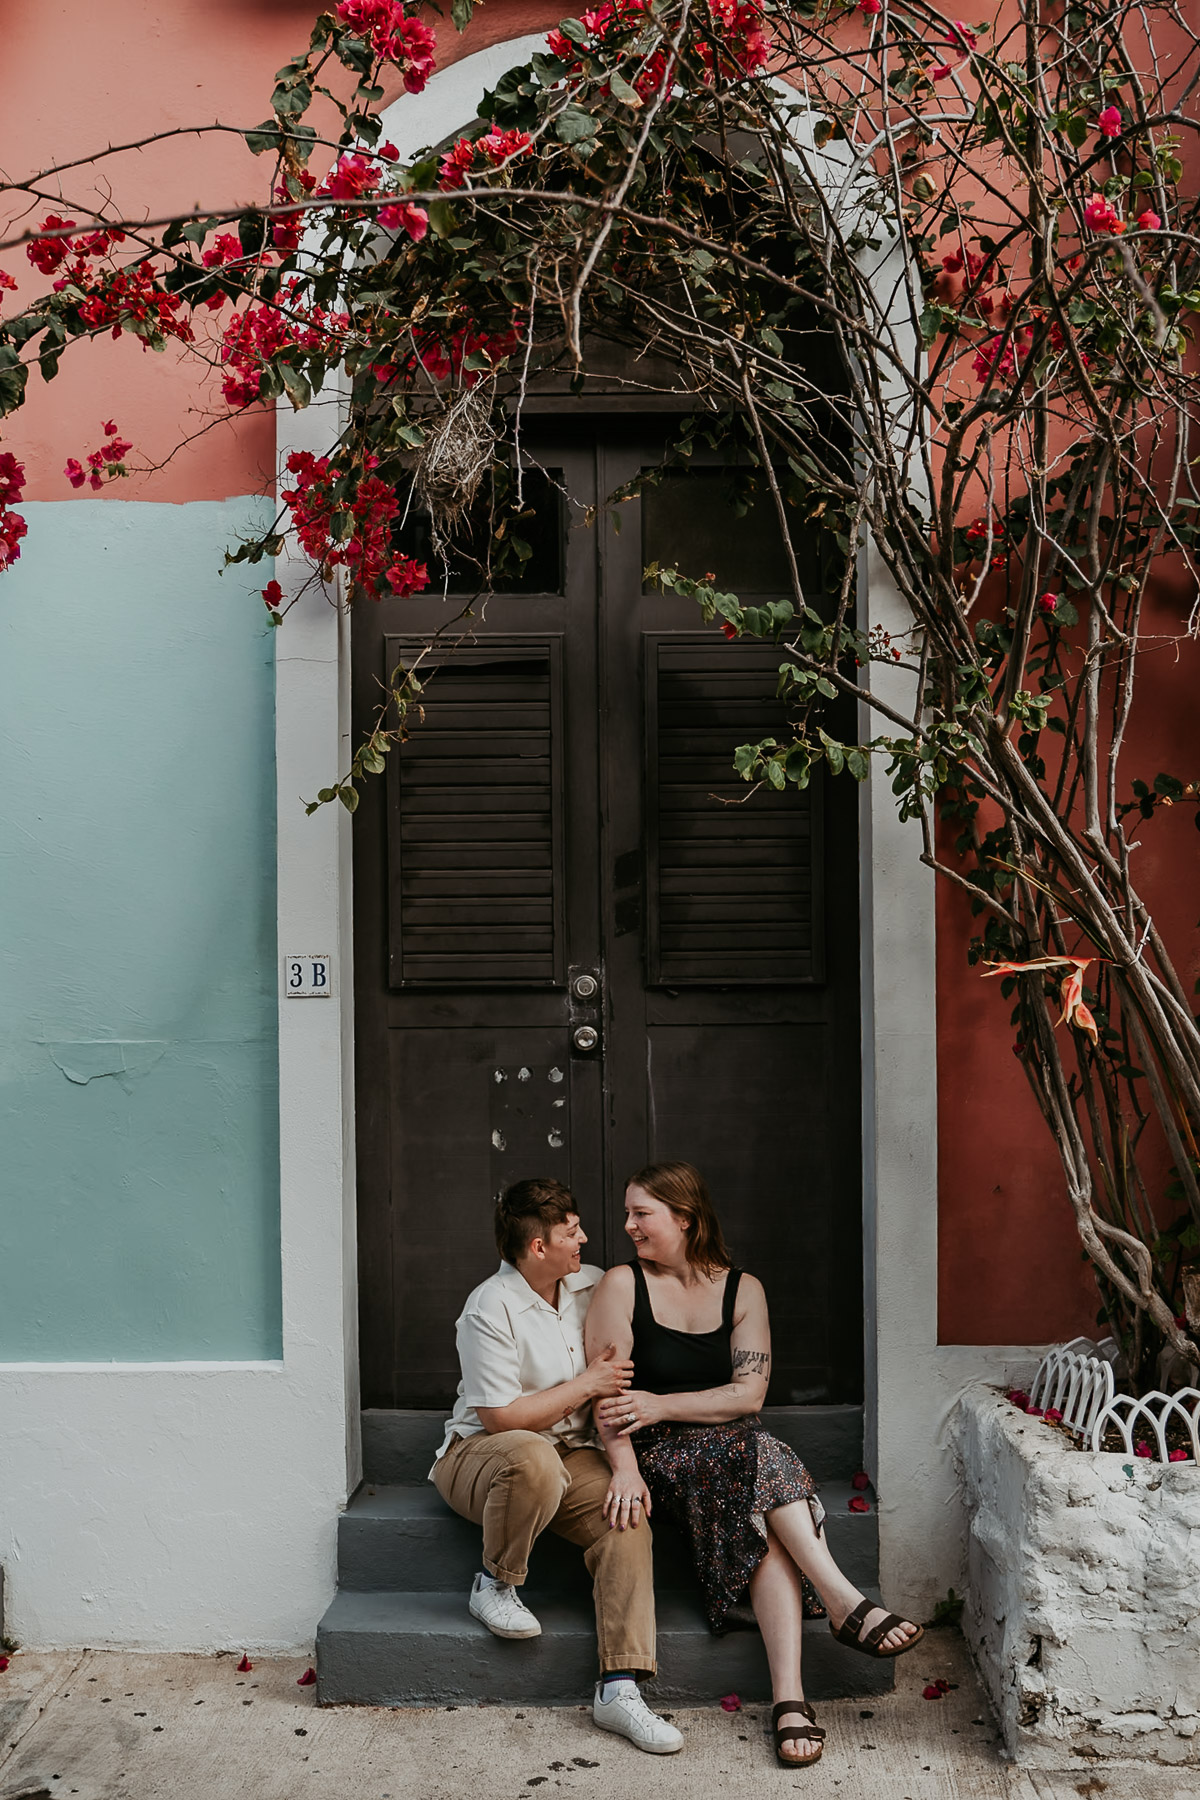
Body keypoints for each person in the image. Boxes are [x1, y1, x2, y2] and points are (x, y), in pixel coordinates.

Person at [585, 1161, 924, 1769]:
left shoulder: (744, 1290)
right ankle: (839, 1606)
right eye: (629, 1213)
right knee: (762, 1459)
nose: (629, 1226)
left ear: (684, 1219)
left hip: (734, 1450)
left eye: (642, 1213)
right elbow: (607, 1395)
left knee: (755, 1476)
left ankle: (791, 1699)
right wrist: (624, 1468)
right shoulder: (621, 1285)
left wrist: (662, 1400)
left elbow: (749, 1395)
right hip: (659, 1453)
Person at [430, 1176, 684, 1755]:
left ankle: (619, 1689)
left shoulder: (593, 1286)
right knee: (531, 1453)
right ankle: (495, 1582)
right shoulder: (489, 1307)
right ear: (537, 1247)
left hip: (572, 1455)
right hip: (484, 1457)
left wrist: (623, 1463)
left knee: (626, 1518)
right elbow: (501, 1419)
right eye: (572, 1232)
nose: (586, 1239)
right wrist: (588, 1383)